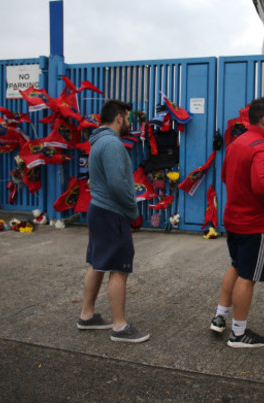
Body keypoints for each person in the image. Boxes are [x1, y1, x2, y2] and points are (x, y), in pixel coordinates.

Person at [209, 97, 264, 348]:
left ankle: (220, 316)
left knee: (237, 267)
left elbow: (226, 177)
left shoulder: (235, 144)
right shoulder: (263, 148)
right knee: (248, 277)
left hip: (234, 220)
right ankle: (238, 334)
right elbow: (263, 185)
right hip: (254, 224)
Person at [76, 99, 149, 343]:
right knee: (119, 269)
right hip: (112, 212)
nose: (129, 123)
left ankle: (86, 316)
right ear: (119, 117)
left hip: (99, 209)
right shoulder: (112, 144)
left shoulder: (98, 141)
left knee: (97, 263)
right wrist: (131, 210)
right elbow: (119, 185)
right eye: (128, 118)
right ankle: (120, 327)